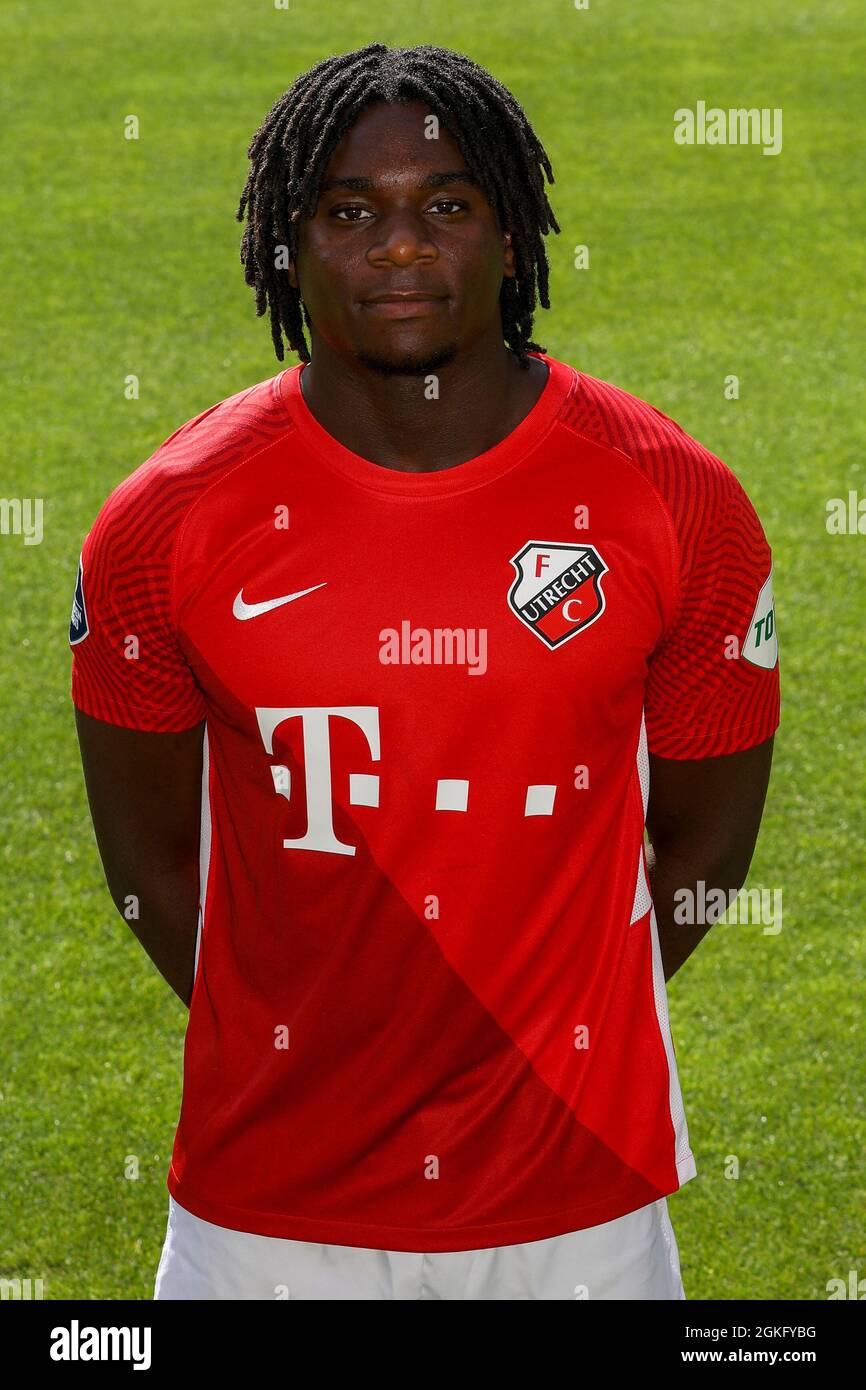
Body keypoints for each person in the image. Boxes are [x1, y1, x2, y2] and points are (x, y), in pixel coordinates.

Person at [68, 43, 780, 1300]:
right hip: (268, 1208)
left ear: (511, 236)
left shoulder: (674, 500)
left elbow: (706, 848)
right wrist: (323, 1042)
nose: (401, 247)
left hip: (578, 1200)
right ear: (287, 245)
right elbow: (152, 866)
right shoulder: (163, 520)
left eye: (446, 205)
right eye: (350, 211)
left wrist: (532, 1034)